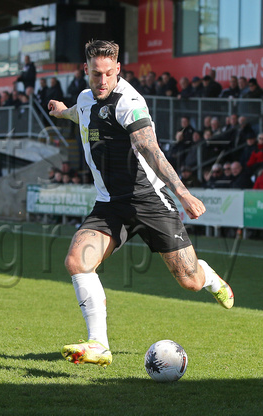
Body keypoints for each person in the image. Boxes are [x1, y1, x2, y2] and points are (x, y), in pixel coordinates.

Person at [47, 40, 234, 369]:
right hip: (109, 204)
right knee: (77, 261)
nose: (101, 81)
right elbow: (83, 113)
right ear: (85, 71)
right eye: (95, 74)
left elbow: (151, 150)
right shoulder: (86, 97)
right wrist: (62, 111)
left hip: (149, 201)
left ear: (118, 69)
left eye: (107, 74)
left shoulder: (129, 103)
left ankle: (210, 278)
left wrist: (183, 193)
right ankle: (99, 344)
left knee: (188, 280)